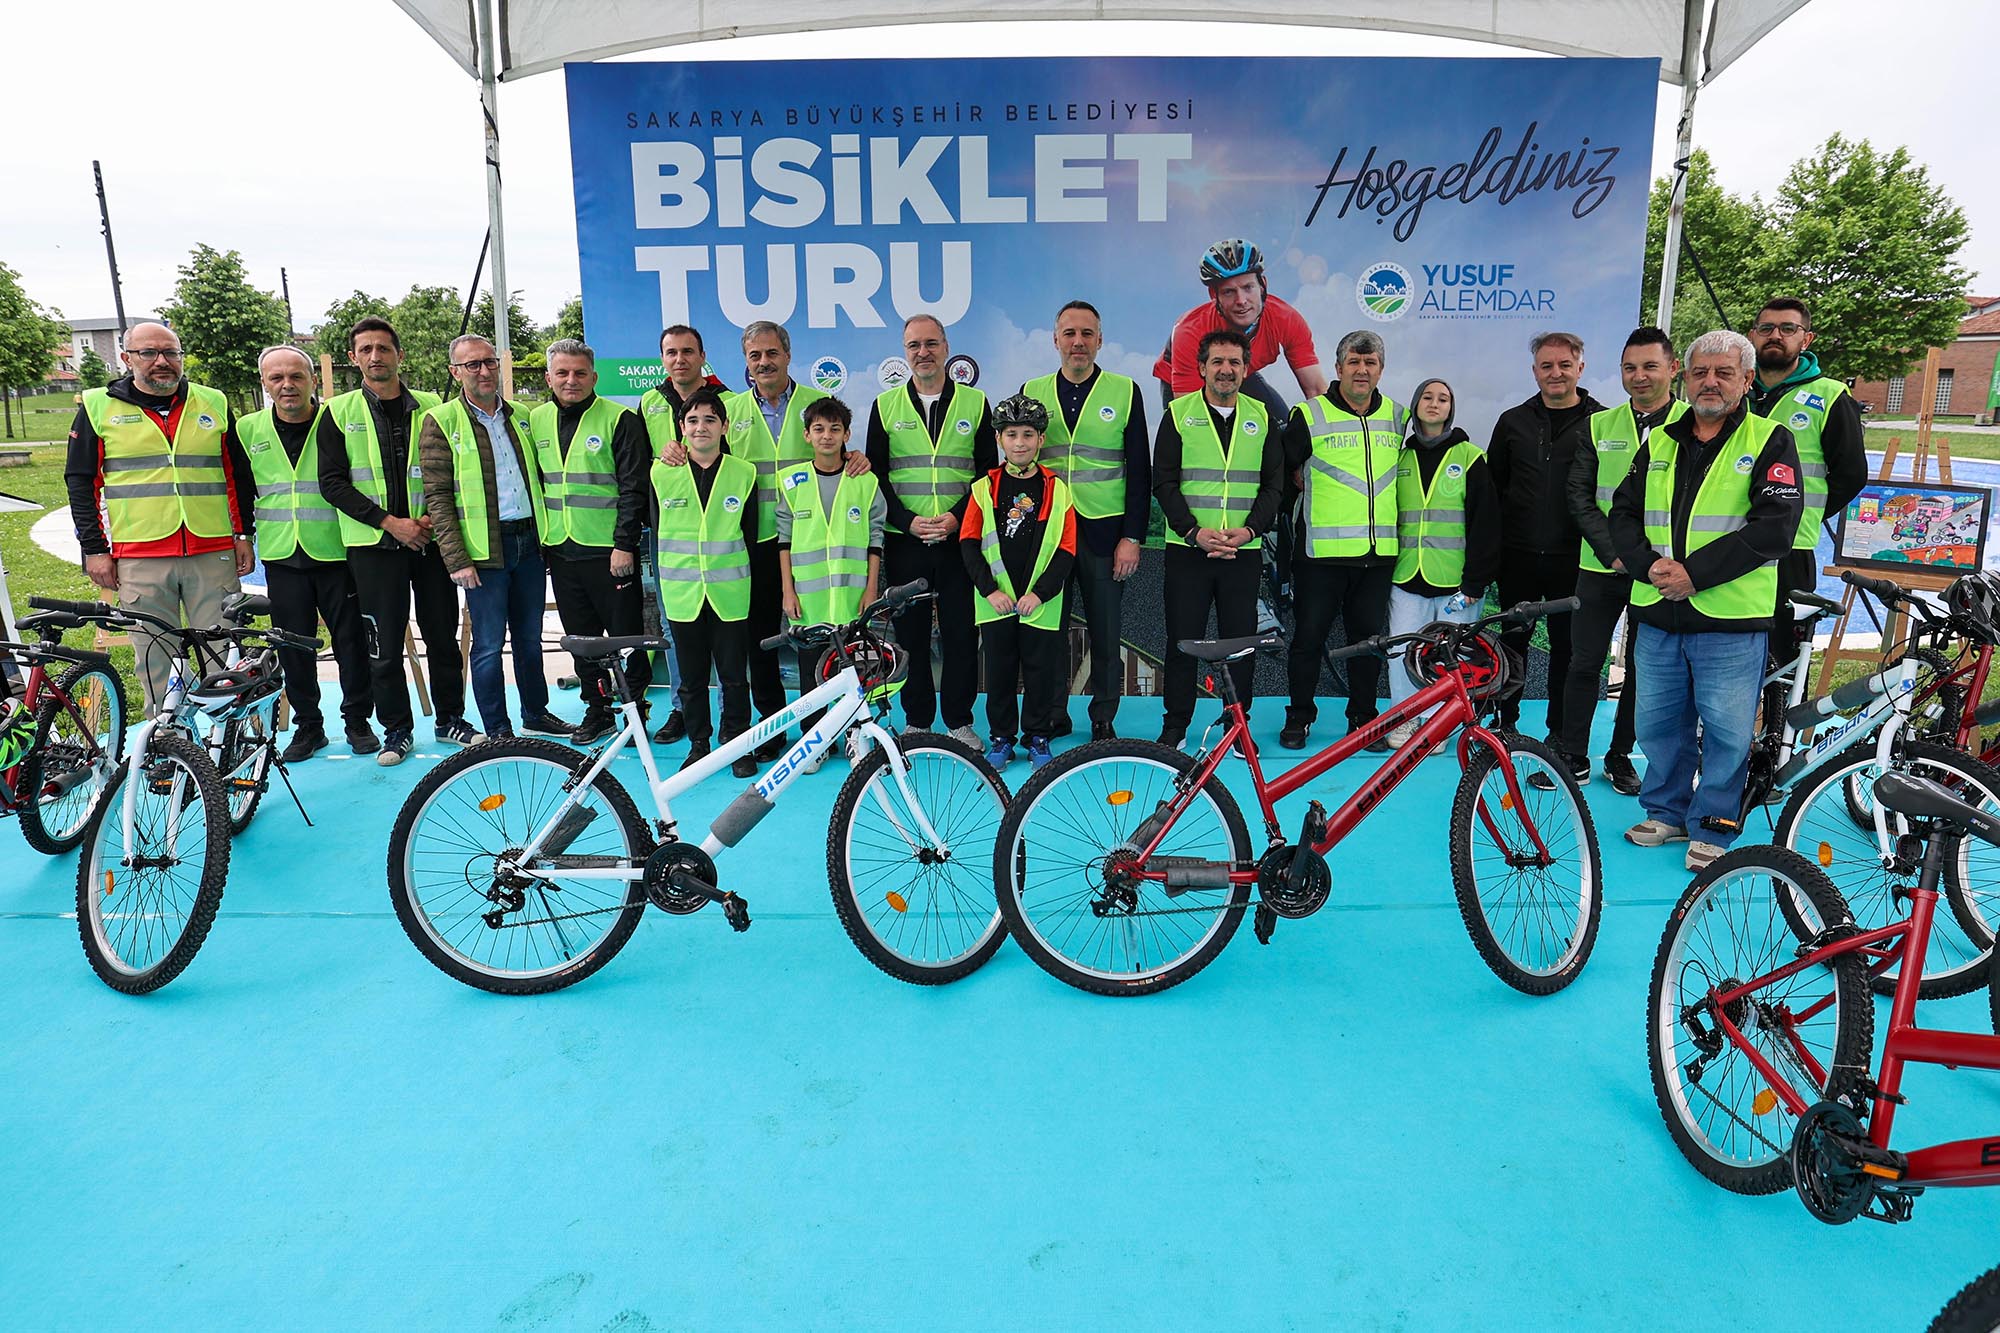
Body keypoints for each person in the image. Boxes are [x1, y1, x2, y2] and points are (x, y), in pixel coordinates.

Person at [1609, 329, 1802, 872]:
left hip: (1731, 616)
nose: (1710, 382)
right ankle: (1666, 812)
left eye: (1723, 373)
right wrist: (1650, 568)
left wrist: (1695, 574)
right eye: (1700, 372)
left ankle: (1714, 820)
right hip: (1658, 609)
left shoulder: (1770, 441)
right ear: (1684, 378)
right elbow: (1622, 516)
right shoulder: (1660, 441)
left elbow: (1775, 529)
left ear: (1745, 380)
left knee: (1726, 727)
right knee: (1658, 722)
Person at [66, 320, 257, 713]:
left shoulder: (213, 403)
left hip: (211, 550)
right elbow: (81, 482)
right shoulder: (98, 407)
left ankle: (225, 745)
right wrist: (94, 548)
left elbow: (235, 474)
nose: (161, 362)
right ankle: (165, 750)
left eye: (170, 353)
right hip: (141, 555)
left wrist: (243, 534)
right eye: (148, 353)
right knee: (155, 659)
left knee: (221, 655)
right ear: (126, 358)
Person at [317, 316, 470, 765]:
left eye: (383, 348)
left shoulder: (433, 406)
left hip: (431, 541)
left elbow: (455, 470)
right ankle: (397, 731)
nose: (375, 357)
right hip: (374, 547)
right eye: (365, 350)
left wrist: (426, 523)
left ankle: (450, 720)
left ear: (399, 355)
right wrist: (390, 522)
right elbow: (333, 483)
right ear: (353, 358)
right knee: (382, 645)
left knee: (442, 636)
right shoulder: (337, 412)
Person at [419, 334, 571, 743]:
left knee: (529, 638)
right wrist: (457, 558)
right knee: (488, 645)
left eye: (489, 362)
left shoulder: (520, 413)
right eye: (473, 365)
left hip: (528, 543)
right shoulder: (440, 420)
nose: (484, 371)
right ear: (456, 372)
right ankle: (498, 729)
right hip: (483, 551)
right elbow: (437, 495)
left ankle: (536, 713)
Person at [1560, 327, 1686, 792]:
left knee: (1642, 668)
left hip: (1660, 572)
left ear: (1673, 369)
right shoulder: (1599, 424)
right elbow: (1579, 495)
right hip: (1601, 567)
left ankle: (1620, 756)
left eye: (1650, 366)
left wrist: (1644, 562)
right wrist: (1614, 554)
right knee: (1583, 662)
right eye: (1630, 368)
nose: (1640, 377)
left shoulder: (1696, 423)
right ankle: (1571, 754)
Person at [865, 313, 997, 748]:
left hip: (961, 540)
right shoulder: (885, 406)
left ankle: (959, 720)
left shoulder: (976, 403)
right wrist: (907, 522)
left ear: (946, 346)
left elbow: (986, 473)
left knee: (962, 633)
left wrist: (959, 516)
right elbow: (876, 476)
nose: (923, 353)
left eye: (931, 344)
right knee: (911, 636)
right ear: (905, 353)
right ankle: (917, 720)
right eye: (913, 346)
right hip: (908, 540)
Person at [1021, 300, 1150, 741]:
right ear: (1055, 340)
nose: (1078, 342)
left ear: (1100, 340)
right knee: (1048, 633)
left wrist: (1131, 536)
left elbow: (1140, 471)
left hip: (1103, 532)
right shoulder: (1031, 390)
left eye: (1087, 334)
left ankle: (1103, 717)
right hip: (1049, 534)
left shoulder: (1124, 390)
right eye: (1070, 334)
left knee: (1106, 633)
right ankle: (1054, 714)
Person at [240, 345, 376, 761]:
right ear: (264, 383)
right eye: (276, 378)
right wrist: (241, 535)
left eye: (296, 376)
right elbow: (243, 490)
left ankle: (357, 721)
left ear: (313, 379)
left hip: (337, 550)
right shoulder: (248, 429)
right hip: (282, 554)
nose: (287, 386)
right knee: (293, 647)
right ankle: (309, 727)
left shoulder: (337, 421)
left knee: (351, 641)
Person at [1153, 329, 1284, 748]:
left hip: (1241, 554)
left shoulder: (1261, 417)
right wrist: (1194, 532)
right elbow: (1164, 482)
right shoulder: (1177, 413)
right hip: (1189, 551)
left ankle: (1237, 730)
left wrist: (1248, 531)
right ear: (1202, 368)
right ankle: (1175, 726)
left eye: (1234, 363)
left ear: (1245, 370)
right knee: (1182, 643)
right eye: (1217, 362)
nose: (1226, 370)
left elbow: (1273, 486)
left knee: (1240, 645)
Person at [1280, 330, 1405, 751]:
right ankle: (1299, 717)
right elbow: (1280, 474)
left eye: (1370, 363)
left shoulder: (1398, 417)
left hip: (1377, 557)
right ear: (1338, 369)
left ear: (1381, 370)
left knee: (1369, 645)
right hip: (1321, 557)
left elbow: (1431, 445)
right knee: (1308, 640)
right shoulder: (1309, 415)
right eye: (1354, 362)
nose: (1362, 370)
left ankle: (1363, 720)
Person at [530, 338, 650, 744]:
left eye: (580, 373)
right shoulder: (536, 420)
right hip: (561, 551)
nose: (571, 380)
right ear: (549, 377)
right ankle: (597, 710)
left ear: (594, 377)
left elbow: (634, 488)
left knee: (626, 636)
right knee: (581, 640)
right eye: (562, 373)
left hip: (609, 551)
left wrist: (624, 544)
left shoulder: (620, 419)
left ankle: (636, 711)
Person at [1487, 332, 1605, 740]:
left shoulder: (1602, 423)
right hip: (1517, 556)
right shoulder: (1512, 422)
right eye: (1547, 366)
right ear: (1535, 371)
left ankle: (1558, 736)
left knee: (1567, 652)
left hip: (1574, 559)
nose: (1555, 373)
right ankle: (1505, 723)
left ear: (1580, 368)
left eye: (1564, 365)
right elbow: (1495, 489)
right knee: (1512, 644)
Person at [961, 394, 1078, 770]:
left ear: (1041, 439)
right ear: (999, 440)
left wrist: (1040, 593)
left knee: (1042, 672)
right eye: (1011, 435)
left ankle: (1038, 736)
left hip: (1040, 604)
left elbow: (1066, 548)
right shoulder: (984, 488)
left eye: (1028, 434)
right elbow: (968, 544)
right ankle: (1001, 738)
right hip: (995, 602)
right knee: (999, 672)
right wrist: (990, 590)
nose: (1020, 442)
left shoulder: (1057, 489)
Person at [1744, 297, 1868, 644]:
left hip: (1789, 547)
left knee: (1785, 654)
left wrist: (1799, 511)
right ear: (1753, 335)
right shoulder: (1735, 391)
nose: (1776, 336)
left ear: (1806, 339)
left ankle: (1781, 702)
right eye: (1766, 328)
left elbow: (1852, 474)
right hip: (1727, 540)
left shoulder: (1829, 396)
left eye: (1788, 329)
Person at [1383, 379, 1498, 747]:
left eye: (1443, 398)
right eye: (1427, 398)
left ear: (1451, 409)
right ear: (1415, 406)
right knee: (1401, 652)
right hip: (1406, 577)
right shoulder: (1399, 459)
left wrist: (1475, 583)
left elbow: (1486, 523)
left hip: (1455, 583)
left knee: (1450, 658)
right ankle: (1404, 719)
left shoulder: (1470, 457)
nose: (1434, 404)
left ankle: (1439, 725)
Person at [651, 389, 759, 777]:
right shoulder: (660, 473)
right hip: (683, 594)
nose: (701, 427)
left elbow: (750, 533)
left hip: (729, 593)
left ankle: (736, 742)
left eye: (710, 419)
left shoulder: (744, 473)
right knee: (692, 679)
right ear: (681, 428)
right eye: (692, 420)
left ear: (724, 426)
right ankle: (699, 744)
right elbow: (657, 531)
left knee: (733, 675)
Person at [778, 394, 885, 771]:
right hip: (808, 601)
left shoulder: (865, 481)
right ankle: (816, 741)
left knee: (856, 670)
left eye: (834, 429)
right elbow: (784, 541)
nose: (827, 436)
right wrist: (788, 591)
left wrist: (871, 591)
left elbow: (875, 539)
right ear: (807, 435)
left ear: (847, 434)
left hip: (853, 599)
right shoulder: (790, 481)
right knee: (812, 673)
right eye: (819, 429)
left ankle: (857, 736)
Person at [636, 323, 726, 745]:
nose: (680, 360)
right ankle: (680, 708)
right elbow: (640, 469)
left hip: (719, 529)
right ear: (662, 358)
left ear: (702, 355)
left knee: (726, 625)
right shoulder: (649, 402)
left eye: (688, 351)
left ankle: (730, 715)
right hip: (670, 532)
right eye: (671, 352)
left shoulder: (728, 400)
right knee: (675, 626)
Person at [1153, 238, 1328, 423]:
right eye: (1229, 292)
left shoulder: (1286, 319)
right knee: (1202, 434)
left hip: (1240, 375)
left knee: (1282, 429)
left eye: (1248, 287)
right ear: (1215, 296)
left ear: (1262, 286)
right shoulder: (1190, 332)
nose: (1241, 300)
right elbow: (1189, 418)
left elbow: (1316, 390)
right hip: (1189, 381)